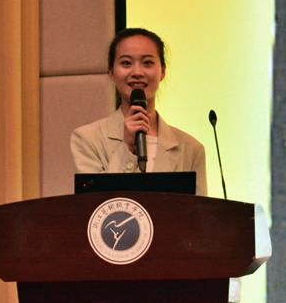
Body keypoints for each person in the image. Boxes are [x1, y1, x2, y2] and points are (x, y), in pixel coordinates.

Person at [70, 27, 207, 196]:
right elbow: (95, 206)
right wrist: (127, 147)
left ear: (163, 72)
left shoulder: (191, 149)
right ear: (111, 72)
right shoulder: (87, 139)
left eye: (147, 63)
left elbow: (199, 211)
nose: (137, 72)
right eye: (126, 63)